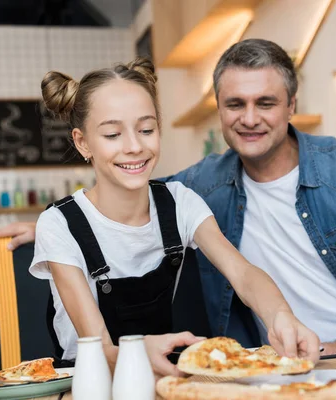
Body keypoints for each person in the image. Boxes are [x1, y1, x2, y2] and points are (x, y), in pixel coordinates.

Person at [0, 39, 336, 356]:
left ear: (291, 103)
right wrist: (49, 228)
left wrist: (321, 340)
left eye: (265, 100)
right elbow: (112, 204)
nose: (249, 117)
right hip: (203, 363)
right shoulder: (200, 185)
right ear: (218, 110)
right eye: (234, 103)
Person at [25, 57, 320, 377]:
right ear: (83, 143)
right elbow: (98, 346)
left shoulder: (179, 203)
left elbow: (244, 273)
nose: (135, 146)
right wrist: (138, 352)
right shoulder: (59, 225)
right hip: (88, 379)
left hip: (162, 373)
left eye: (146, 129)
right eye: (113, 135)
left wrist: (280, 315)